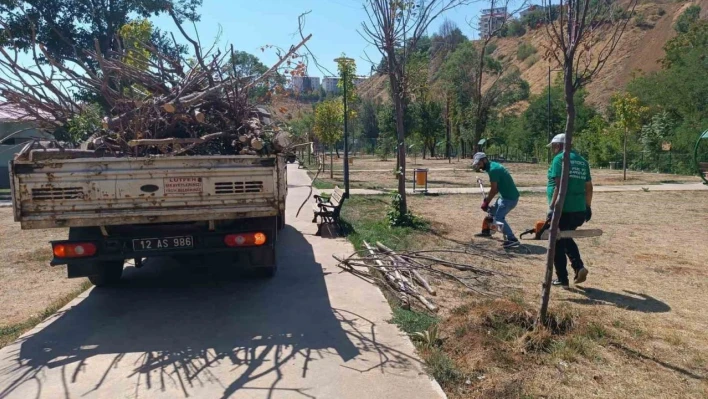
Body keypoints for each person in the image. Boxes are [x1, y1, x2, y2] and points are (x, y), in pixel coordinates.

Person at [546, 133, 593, 287]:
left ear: (559, 146)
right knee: (565, 237)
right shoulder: (582, 161)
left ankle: (562, 279)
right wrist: (588, 206)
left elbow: (559, 187)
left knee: (557, 242)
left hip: (563, 209)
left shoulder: (559, 159)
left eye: (553, 146)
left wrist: (552, 208)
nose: (553, 150)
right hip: (579, 209)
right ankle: (578, 268)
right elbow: (589, 187)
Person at [472, 152, 520, 249]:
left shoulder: (493, 170)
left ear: (484, 160)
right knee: (492, 212)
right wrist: (487, 202)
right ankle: (487, 231)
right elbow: (496, 188)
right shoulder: (492, 166)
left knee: (498, 218)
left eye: (479, 164)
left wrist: (486, 202)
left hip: (509, 199)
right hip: (504, 197)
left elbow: (494, 189)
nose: (479, 166)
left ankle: (512, 239)